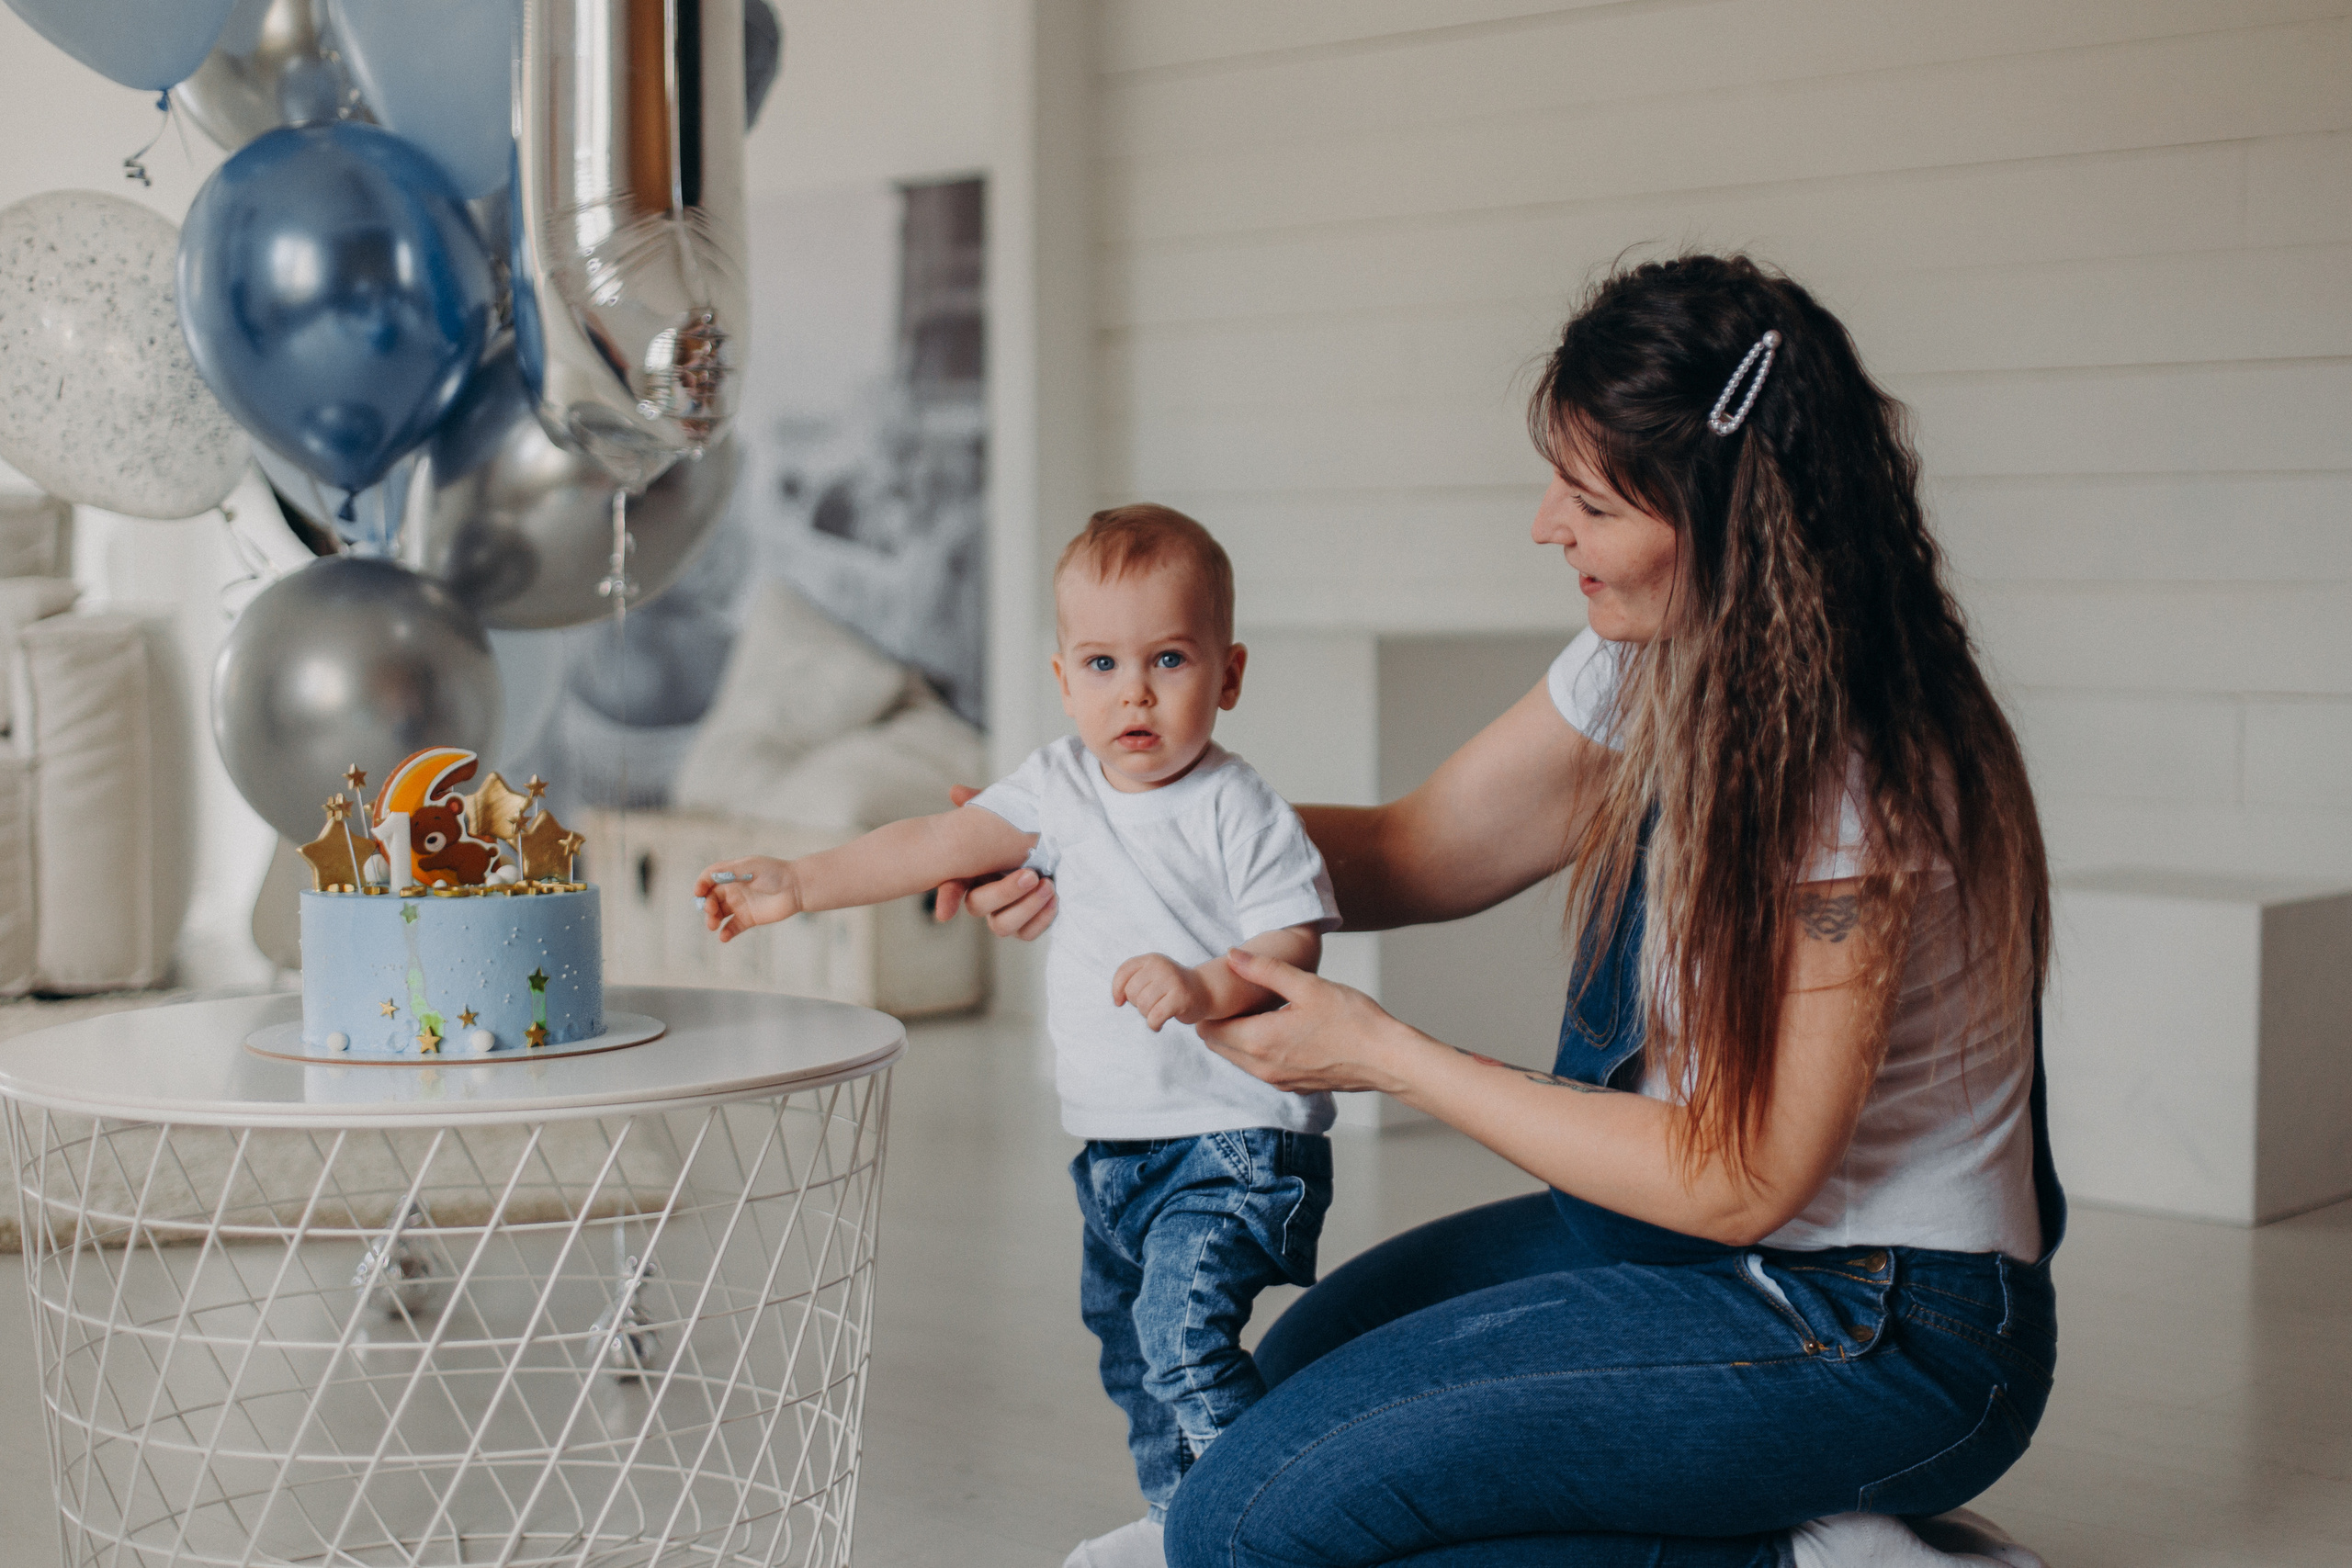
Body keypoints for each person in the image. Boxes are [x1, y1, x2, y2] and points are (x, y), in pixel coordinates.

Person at [947, 255, 2061, 1568]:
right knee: (1269, 1409)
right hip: (1686, 1248)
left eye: (1590, 500)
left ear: (1725, 517)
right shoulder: (1654, 656)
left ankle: (1813, 1560)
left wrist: (1385, 1053)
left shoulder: (1854, 767)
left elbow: (1745, 1174)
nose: (1546, 526)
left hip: (1882, 1323)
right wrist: (1111, 839)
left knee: (1243, 1522)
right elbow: (1418, 848)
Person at [696, 505, 1341, 1568]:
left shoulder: (1240, 807)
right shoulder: (1056, 789)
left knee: (1182, 1343)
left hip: (1232, 1140)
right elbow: (931, 841)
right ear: (1063, 680)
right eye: (1102, 664)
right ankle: (1179, 1522)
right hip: (1117, 1152)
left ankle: (1269, 1529)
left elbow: (1290, 943)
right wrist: (801, 881)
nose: (1133, 692)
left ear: (1227, 676)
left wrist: (1203, 985)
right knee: (1133, 1357)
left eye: (1168, 659)